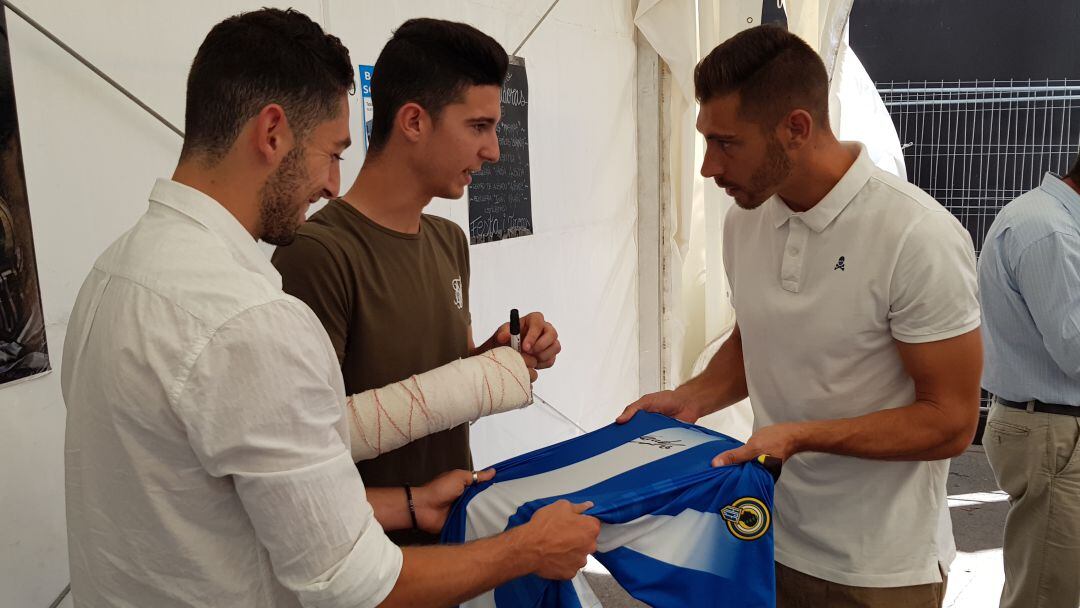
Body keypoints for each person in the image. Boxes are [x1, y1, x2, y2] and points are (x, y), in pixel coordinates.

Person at [62, 9, 597, 608]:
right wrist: (526, 549)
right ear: (272, 134)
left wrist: (413, 500)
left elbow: (254, 475)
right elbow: (354, 581)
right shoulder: (249, 318)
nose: (332, 186)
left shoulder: (114, 271)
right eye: (332, 152)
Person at [618, 25, 982, 607]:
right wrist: (691, 398)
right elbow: (754, 338)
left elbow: (952, 422)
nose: (709, 167)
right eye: (705, 141)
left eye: (727, 143)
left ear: (797, 129)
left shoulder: (917, 236)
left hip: (880, 568)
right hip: (763, 536)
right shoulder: (745, 218)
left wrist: (802, 436)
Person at [271, 18, 561, 546]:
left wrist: (494, 360)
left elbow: (426, 385)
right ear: (413, 121)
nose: (494, 151)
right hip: (369, 564)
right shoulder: (316, 254)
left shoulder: (448, 239)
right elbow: (299, 452)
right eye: (478, 127)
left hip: (450, 539)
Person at [978, 153, 1080, 608]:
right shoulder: (1051, 231)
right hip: (1054, 432)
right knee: (1047, 592)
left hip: (1049, 425)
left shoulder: (1046, 219)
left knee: (1048, 582)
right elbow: (1075, 349)